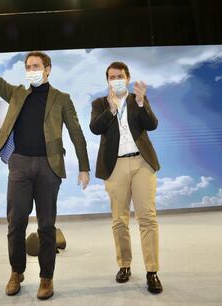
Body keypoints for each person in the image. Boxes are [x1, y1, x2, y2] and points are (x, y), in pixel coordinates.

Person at [0, 21, 90, 300]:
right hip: (19, 165)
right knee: (16, 223)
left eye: (36, 66)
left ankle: (46, 278)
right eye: (28, 67)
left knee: (46, 226)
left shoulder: (62, 99)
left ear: (47, 70)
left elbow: (77, 133)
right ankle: (16, 272)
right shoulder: (17, 93)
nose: (31, 70)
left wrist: (84, 167)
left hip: (48, 167)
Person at [89, 61, 163, 294]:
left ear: (128, 78)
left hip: (142, 163)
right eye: (111, 77)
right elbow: (95, 128)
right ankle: (124, 265)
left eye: (119, 76)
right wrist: (111, 109)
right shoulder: (100, 103)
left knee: (148, 218)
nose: (115, 80)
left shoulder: (137, 99)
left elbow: (152, 125)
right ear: (107, 80)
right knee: (119, 220)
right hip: (115, 166)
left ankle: (152, 271)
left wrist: (142, 103)